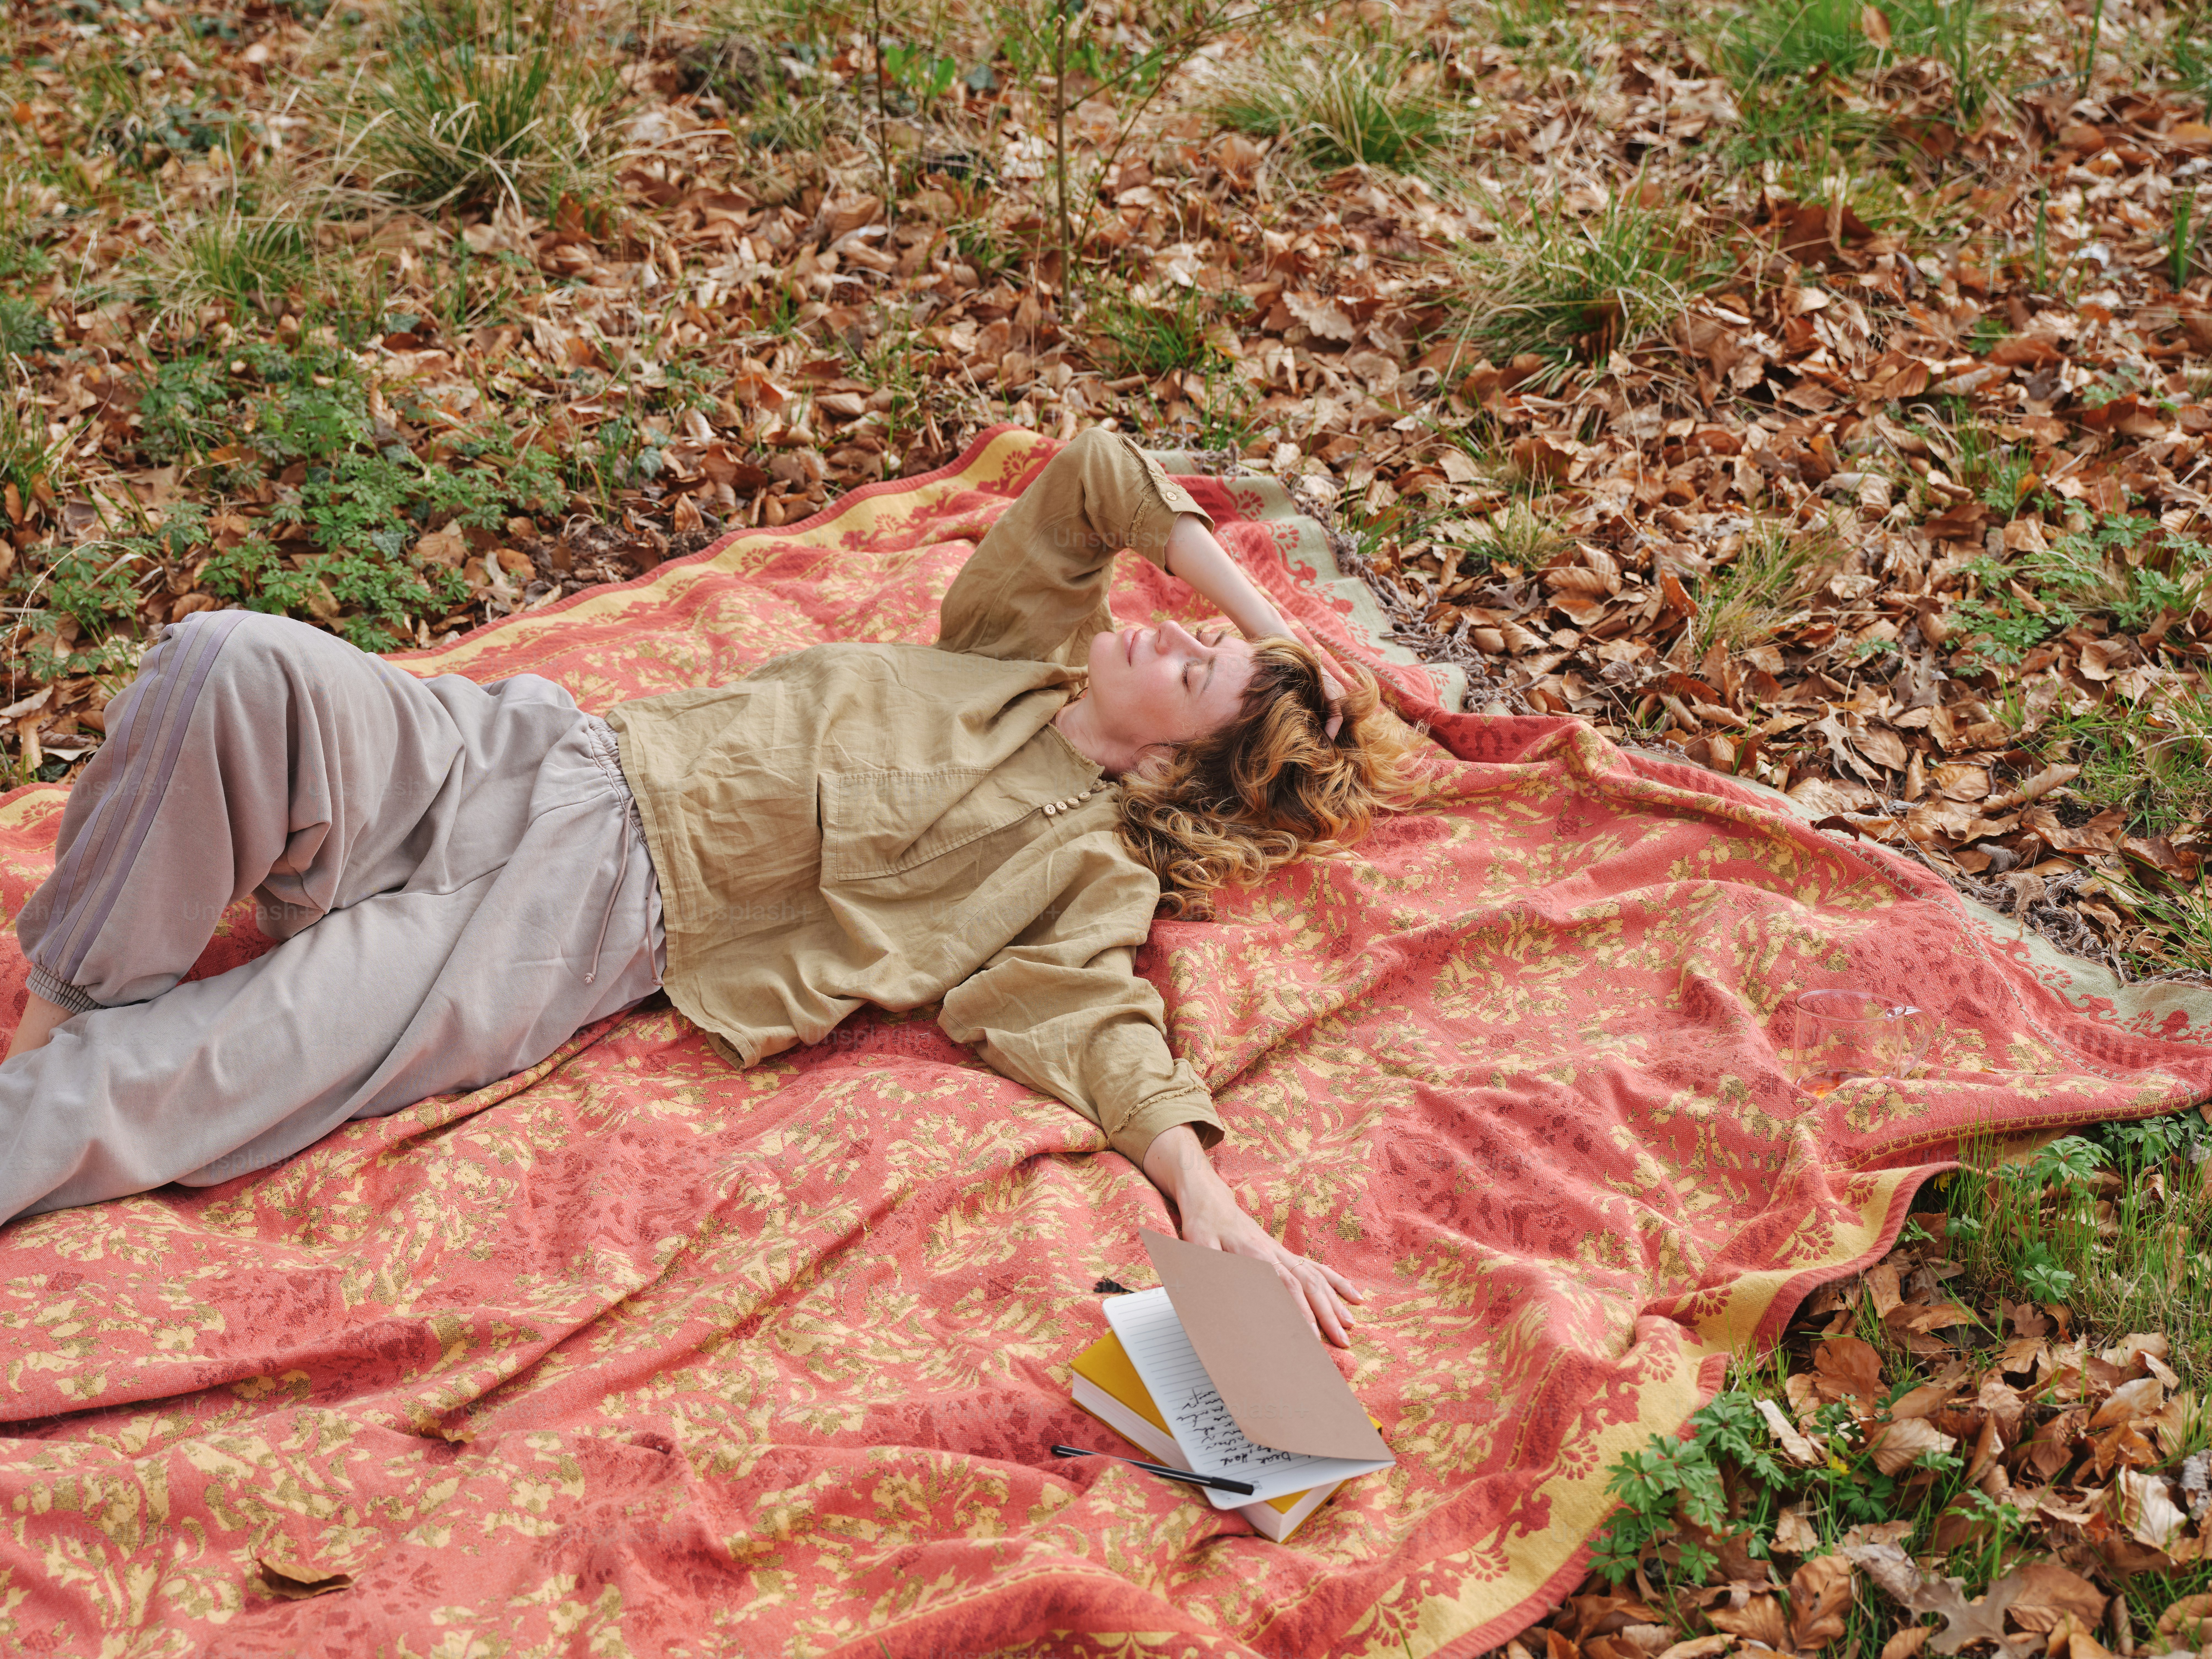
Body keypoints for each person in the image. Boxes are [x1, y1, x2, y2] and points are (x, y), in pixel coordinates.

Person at [1, 428, 1410, 1347]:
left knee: (208, 1065)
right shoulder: (1012, 652)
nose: (1169, 635)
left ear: (1174, 765)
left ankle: (53, 1084)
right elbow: (1096, 473)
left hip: (580, 920)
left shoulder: (1083, 862)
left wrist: (1205, 1194)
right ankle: (71, 999)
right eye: (1192, 633)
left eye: (1197, 671)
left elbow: (1091, 1020)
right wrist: (1273, 625)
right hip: (524, 753)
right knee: (228, 663)